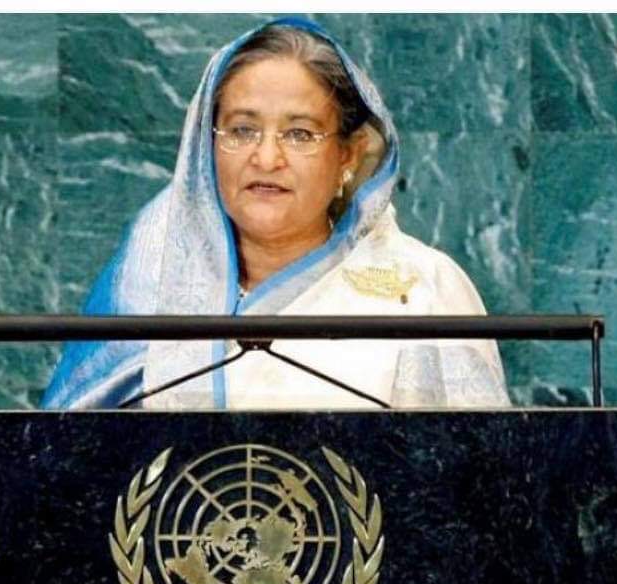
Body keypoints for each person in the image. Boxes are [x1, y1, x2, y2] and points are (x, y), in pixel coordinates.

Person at [42, 17, 509, 410]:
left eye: (300, 134)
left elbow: (481, 477)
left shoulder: (423, 292)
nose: (266, 158)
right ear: (206, 148)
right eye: (242, 130)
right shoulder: (147, 284)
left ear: (347, 155)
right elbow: (63, 471)